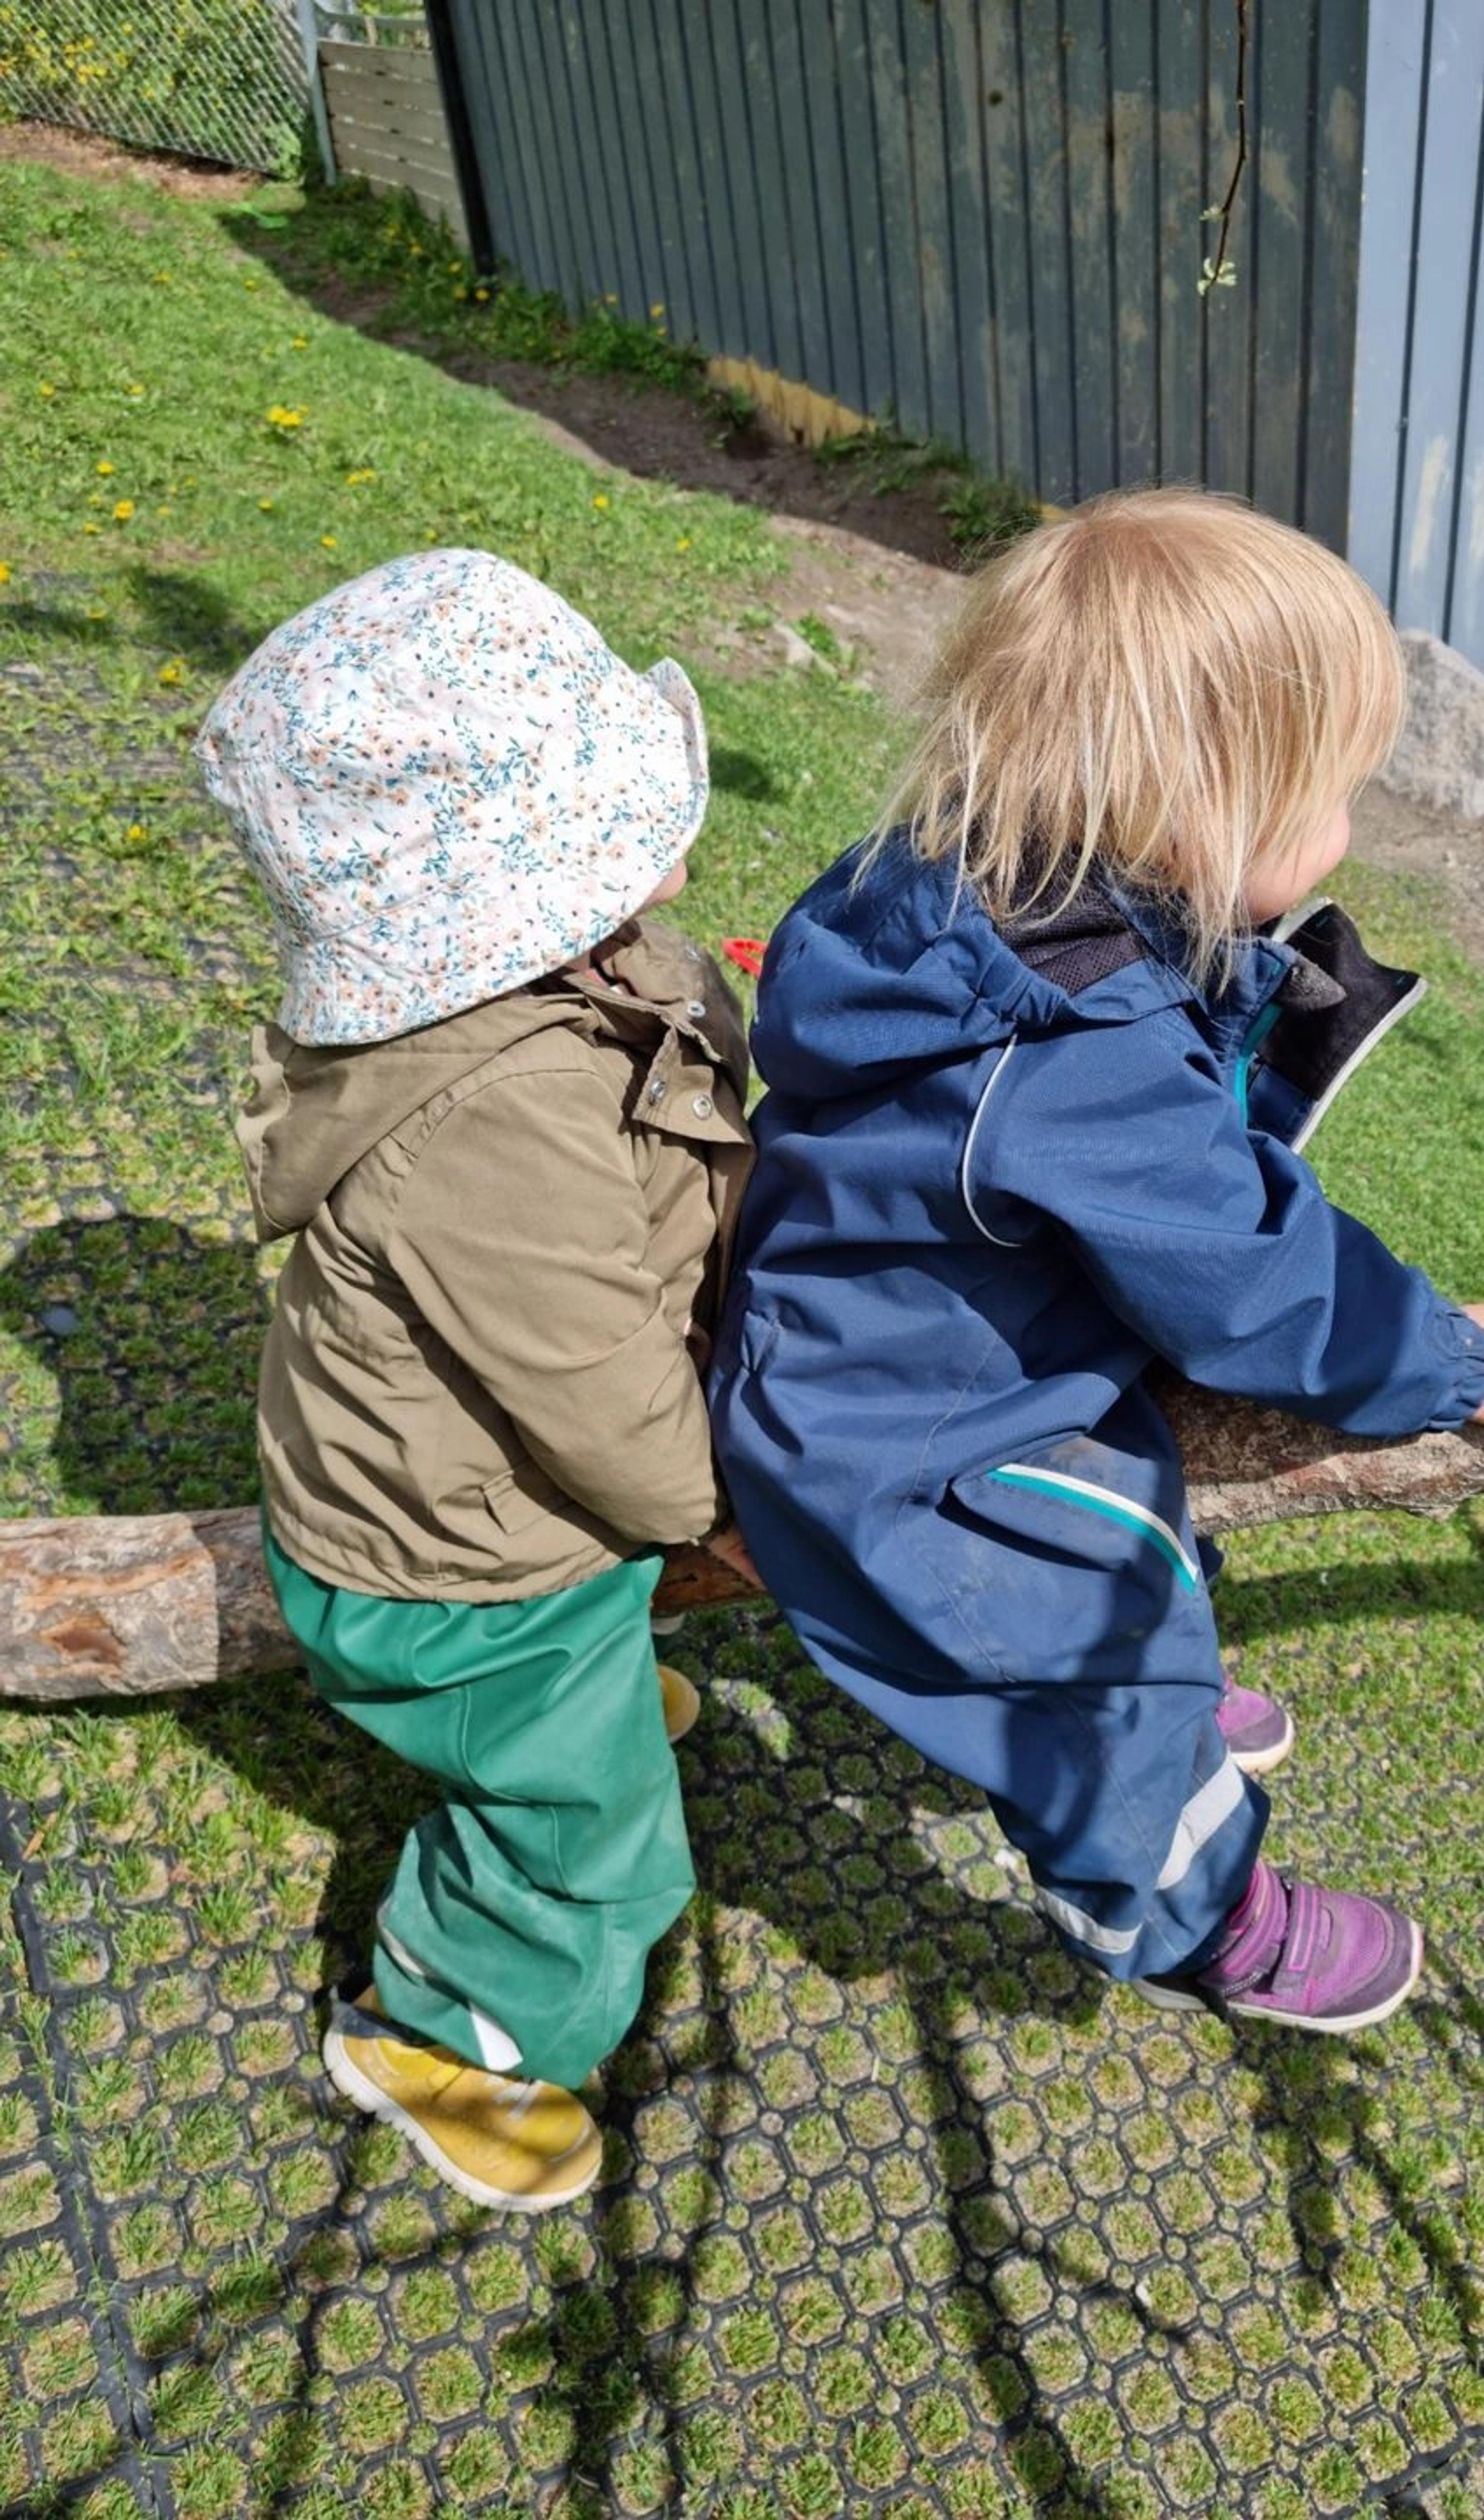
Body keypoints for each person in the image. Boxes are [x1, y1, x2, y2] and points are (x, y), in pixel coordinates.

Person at [709, 489, 1484, 2035]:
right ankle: (1202, 1913)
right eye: (1330, 794)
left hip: (900, 1342)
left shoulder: (947, 881)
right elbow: (1252, 1280)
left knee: (1146, 1523)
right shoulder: (1077, 1051)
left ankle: (1175, 1679)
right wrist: (1458, 1361)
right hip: (908, 1440)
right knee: (1107, 1687)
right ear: (1209, 807)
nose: (1347, 829)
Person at [196, 548, 755, 2209]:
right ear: (515, 902)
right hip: (456, 1577)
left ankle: (562, 1711)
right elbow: (601, 1406)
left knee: (592, 1695)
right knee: (597, 1852)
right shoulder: (490, 1117)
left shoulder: (560, 979)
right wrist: (726, 1512)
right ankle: (440, 2032)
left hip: (496, 1518)